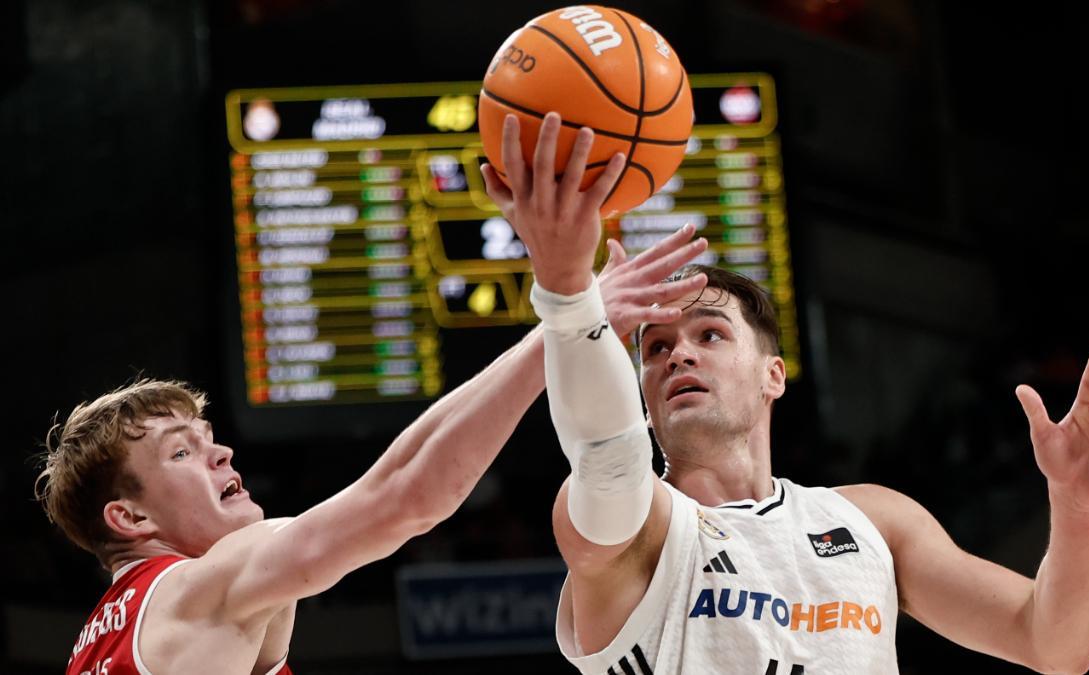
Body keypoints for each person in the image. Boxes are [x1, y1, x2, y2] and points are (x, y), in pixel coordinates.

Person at [482, 111, 1089, 674]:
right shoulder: (634, 526)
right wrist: (571, 294)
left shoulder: (874, 521)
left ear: (773, 375)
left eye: (709, 334)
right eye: (655, 348)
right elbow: (605, 451)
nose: (678, 350)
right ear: (643, 394)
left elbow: (1054, 643)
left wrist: (1076, 505)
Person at [36, 123, 710, 674]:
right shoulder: (200, 589)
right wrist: (568, 315)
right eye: (182, 450)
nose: (220, 453)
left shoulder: (103, 641)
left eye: (208, 437)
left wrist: (562, 329)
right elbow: (405, 497)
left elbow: (389, 475)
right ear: (128, 515)